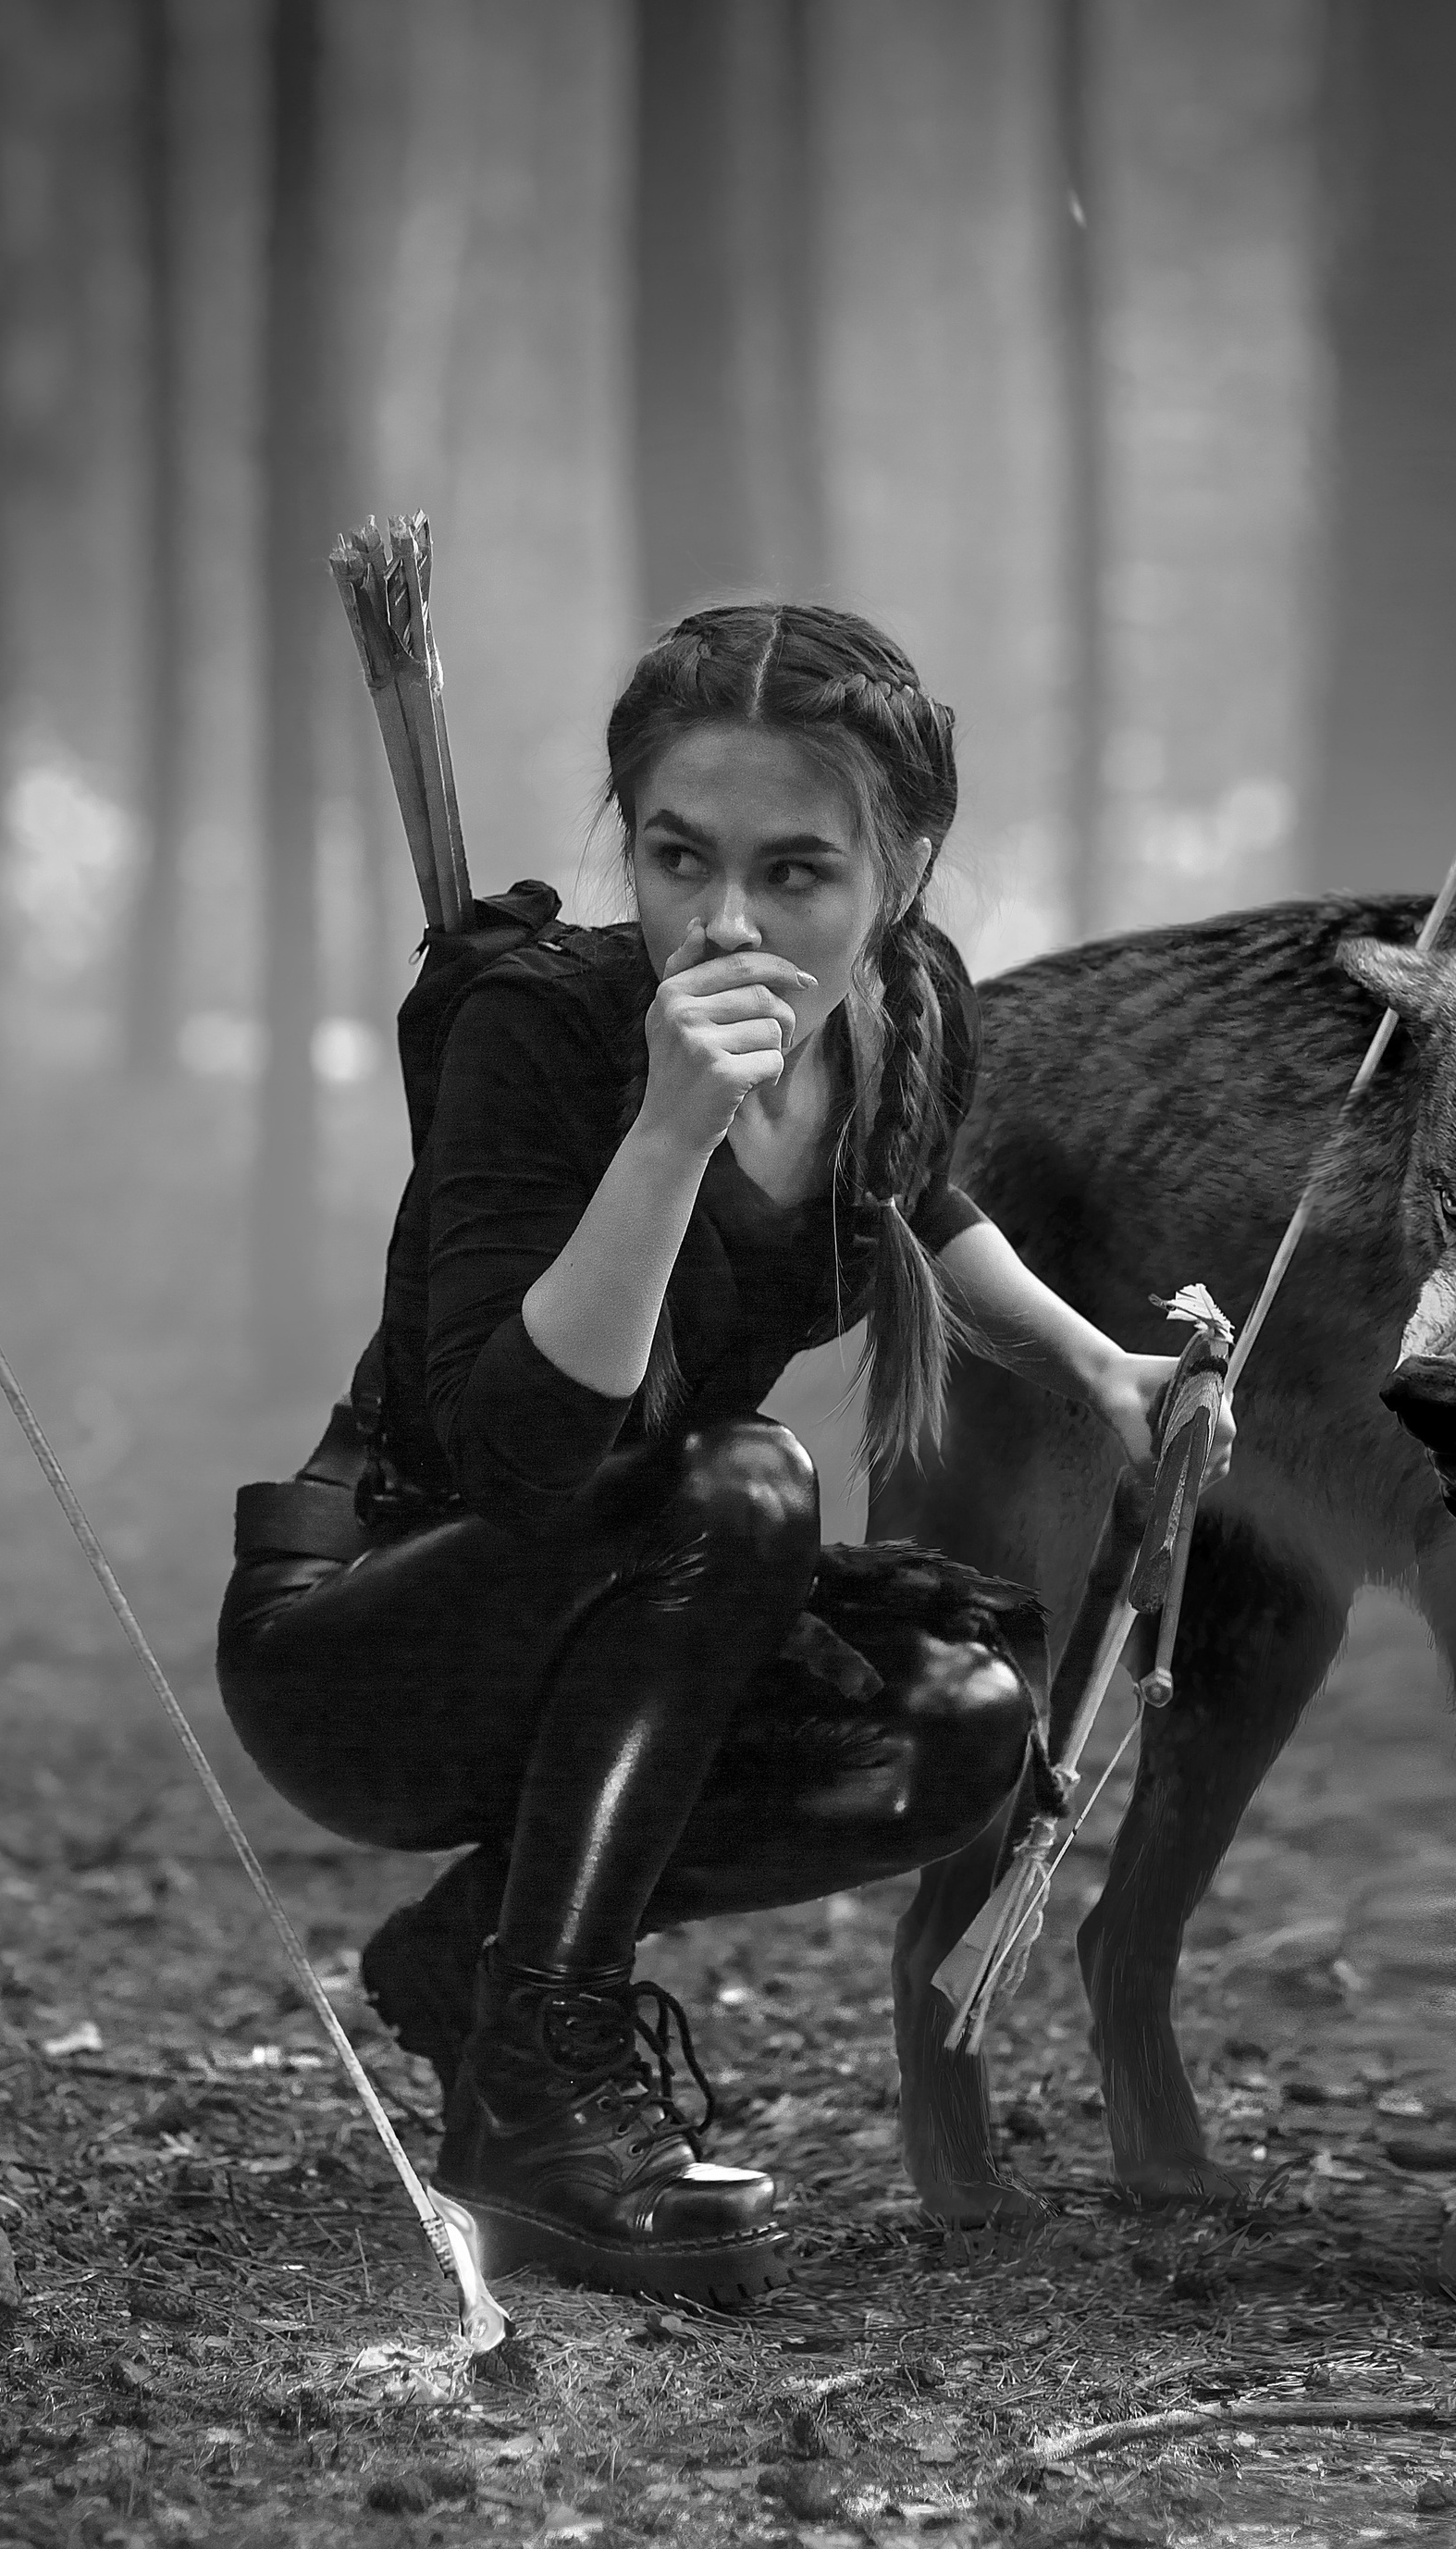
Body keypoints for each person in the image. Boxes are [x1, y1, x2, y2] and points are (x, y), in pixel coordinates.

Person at [216, 603, 1232, 2306]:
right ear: (629, 841)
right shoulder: (535, 1031)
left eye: (798, 873)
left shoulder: (903, 1009)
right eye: (682, 858)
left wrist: (1095, 1356)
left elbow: (906, 1183)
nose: (728, 921)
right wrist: (668, 1132)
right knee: (746, 1479)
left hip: (630, 1630)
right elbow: (531, 1456)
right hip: (380, 1636)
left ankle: (481, 1961)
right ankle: (542, 2098)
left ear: (900, 873)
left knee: (963, 1724)